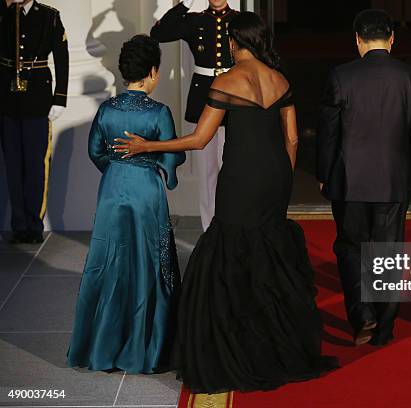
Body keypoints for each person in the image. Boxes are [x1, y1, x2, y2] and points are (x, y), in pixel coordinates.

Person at [115, 12, 338, 393]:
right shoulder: (280, 79)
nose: (229, 47)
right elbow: (294, 139)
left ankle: (232, 346)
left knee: (230, 250)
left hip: (240, 179)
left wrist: (148, 145)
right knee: (269, 253)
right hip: (275, 178)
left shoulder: (226, 81)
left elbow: (199, 140)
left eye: (231, 42)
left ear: (237, 42)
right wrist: (281, 175)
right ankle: (274, 343)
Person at [67, 35, 185, 373]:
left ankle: (101, 349)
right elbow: (171, 155)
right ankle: (147, 349)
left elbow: (95, 151)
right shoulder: (159, 112)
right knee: (151, 263)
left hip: (112, 190)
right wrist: (164, 172)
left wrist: (116, 170)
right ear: (151, 72)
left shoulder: (106, 109)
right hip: (145, 191)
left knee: (109, 261)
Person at [316, 9, 411, 347]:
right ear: (392, 38)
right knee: (389, 251)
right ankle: (385, 327)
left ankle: (362, 313)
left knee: (351, 248)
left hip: (349, 180)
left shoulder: (341, 76)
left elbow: (328, 134)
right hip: (394, 180)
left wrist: (324, 174)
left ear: (358, 39)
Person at [151, 0, 237, 231]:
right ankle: (210, 227)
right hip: (203, 99)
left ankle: (231, 225)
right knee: (207, 171)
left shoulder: (239, 20)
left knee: (231, 168)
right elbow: (159, 33)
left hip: (234, 98)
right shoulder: (195, 20)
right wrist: (184, 4)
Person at [0, 0, 68, 244]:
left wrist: (60, 98)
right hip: (7, 100)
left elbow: (62, 58)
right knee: (13, 165)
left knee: (36, 165)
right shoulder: (5, 12)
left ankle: (34, 224)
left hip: (37, 99)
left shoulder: (49, 16)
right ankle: (18, 224)